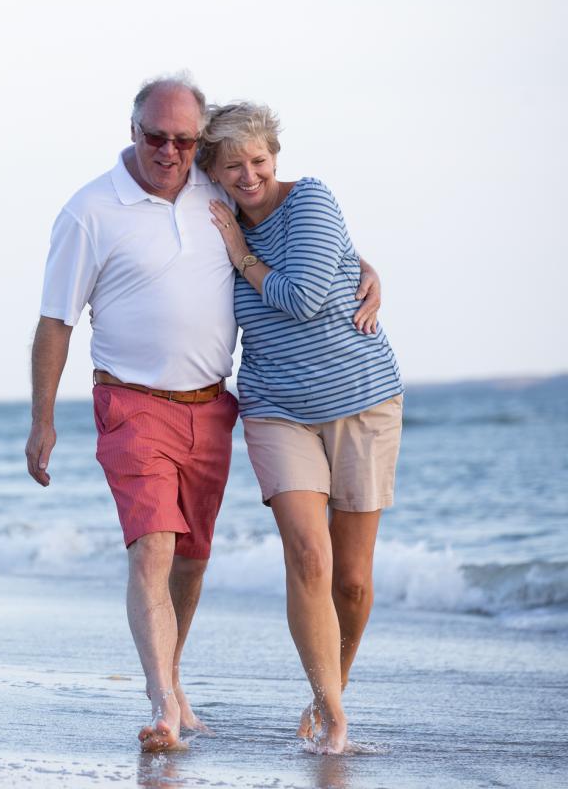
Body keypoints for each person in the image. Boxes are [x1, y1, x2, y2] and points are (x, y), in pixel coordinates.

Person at [24, 74, 381, 752]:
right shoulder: (90, 211)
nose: (170, 151)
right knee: (153, 544)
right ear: (133, 133)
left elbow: (289, 234)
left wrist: (365, 267)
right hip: (131, 402)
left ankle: (172, 678)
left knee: (191, 557)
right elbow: (53, 322)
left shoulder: (213, 188)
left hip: (212, 404)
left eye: (185, 140)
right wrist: (42, 419)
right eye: (156, 137)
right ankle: (162, 700)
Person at [199, 102, 404, 754]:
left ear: (275, 155)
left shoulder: (311, 199)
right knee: (308, 556)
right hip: (274, 407)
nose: (249, 174)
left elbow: (304, 295)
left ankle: (329, 688)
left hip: (362, 400)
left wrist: (241, 254)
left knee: (352, 578)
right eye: (234, 165)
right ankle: (335, 714)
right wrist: (230, 241)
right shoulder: (213, 215)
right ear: (215, 172)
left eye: (258, 160)